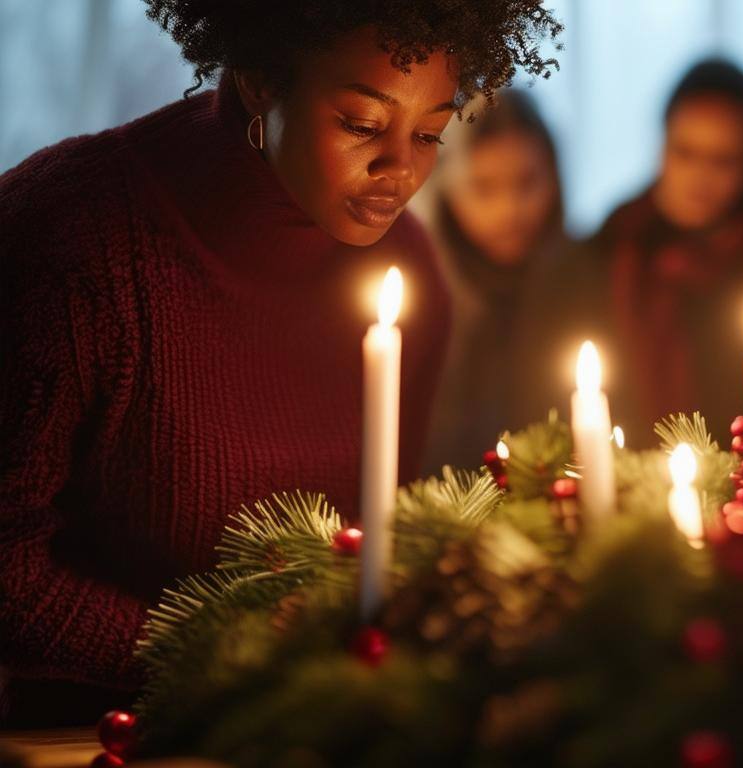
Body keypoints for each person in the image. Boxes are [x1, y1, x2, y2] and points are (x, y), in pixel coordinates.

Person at [0, 0, 560, 724]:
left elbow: (377, 547)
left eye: (430, 133)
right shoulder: (75, 237)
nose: (400, 169)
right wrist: (209, 651)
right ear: (262, 77)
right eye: (362, 124)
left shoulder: (408, 278)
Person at [533, 58, 743, 452]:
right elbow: (542, 410)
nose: (700, 176)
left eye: (722, 160)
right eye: (685, 152)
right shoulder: (592, 264)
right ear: (662, 146)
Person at [413, 90, 570, 472]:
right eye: (484, 187)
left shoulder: (579, 278)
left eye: (528, 181)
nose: (510, 209)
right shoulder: (419, 292)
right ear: (445, 184)